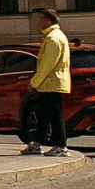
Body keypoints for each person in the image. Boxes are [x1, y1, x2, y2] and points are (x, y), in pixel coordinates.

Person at [23, 8, 71, 156]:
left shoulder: (53, 38)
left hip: (52, 82)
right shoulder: (53, 36)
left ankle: (61, 146)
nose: (39, 22)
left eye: (42, 19)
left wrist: (34, 82)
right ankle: (37, 144)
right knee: (43, 114)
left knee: (55, 115)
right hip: (50, 82)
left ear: (49, 21)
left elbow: (47, 64)